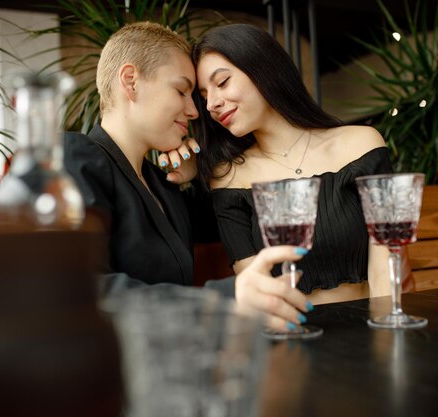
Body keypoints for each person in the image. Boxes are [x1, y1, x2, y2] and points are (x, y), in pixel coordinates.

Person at [63, 22, 311, 331]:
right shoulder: (74, 156)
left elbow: (228, 221)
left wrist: (197, 174)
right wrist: (227, 298)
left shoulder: (162, 184)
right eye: (181, 90)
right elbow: (81, 290)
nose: (196, 110)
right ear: (130, 82)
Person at [191, 23, 392, 305]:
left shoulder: (362, 144)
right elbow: (257, 289)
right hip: (291, 335)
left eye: (222, 82)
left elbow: (384, 259)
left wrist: (386, 335)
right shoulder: (228, 177)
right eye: (203, 97)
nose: (212, 103)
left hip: (367, 329)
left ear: (264, 68)